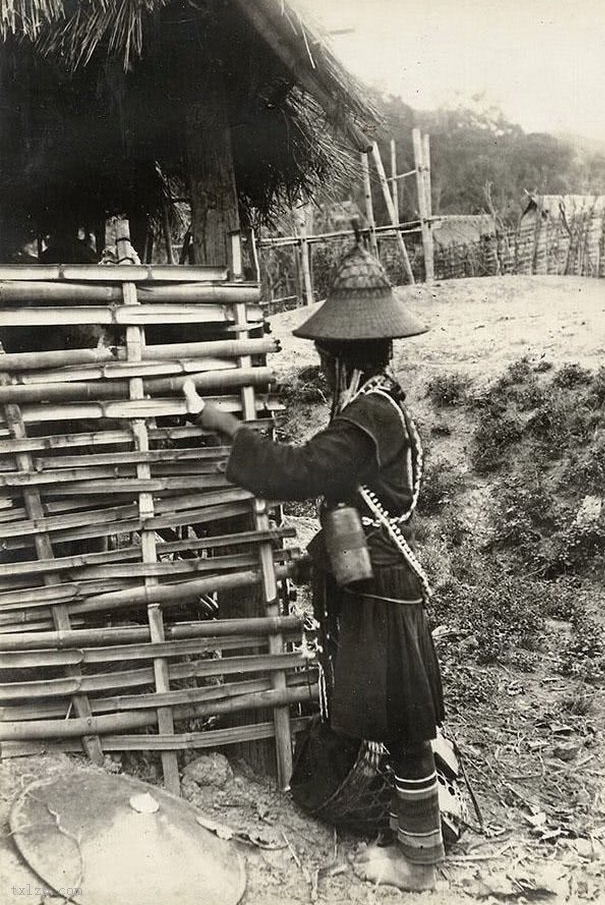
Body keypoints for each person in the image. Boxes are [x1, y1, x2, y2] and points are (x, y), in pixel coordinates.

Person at [183, 245, 445, 891]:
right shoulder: (377, 406)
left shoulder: (365, 420)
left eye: (325, 358)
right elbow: (348, 502)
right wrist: (313, 561)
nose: (323, 366)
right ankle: (411, 831)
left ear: (338, 357)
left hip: (382, 593)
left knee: (407, 725)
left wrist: (214, 420)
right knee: (381, 725)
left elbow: (295, 472)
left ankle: (417, 863)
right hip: (377, 587)